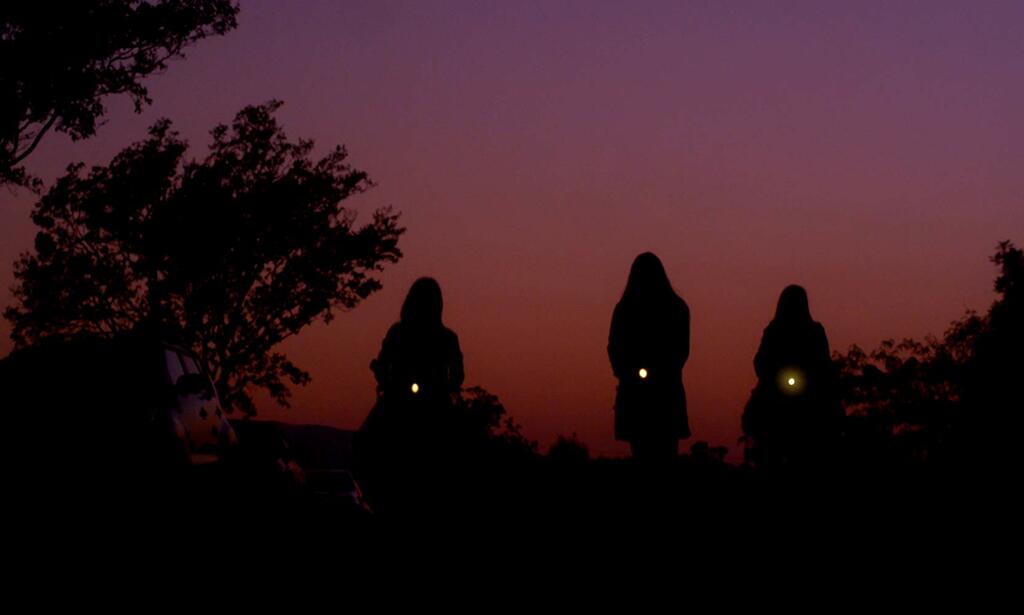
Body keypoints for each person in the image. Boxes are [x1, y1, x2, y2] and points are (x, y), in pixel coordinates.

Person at [355, 277, 464, 511]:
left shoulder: (448, 339)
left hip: (435, 404)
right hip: (397, 399)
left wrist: (448, 386)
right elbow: (383, 362)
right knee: (364, 441)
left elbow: (458, 374)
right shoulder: (397, 333)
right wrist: (382, 374)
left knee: (464, 448)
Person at [742, 285, 842, 470]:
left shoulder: (814, 331)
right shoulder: (773, 331)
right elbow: (760, 362)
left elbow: (824, 365)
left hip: (808, 398)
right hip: (776, 395)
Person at [608, 253, 691, 463]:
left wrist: (627, 371)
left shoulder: (674, 309)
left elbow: (680, 351)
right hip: (655, 394)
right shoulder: (627, 310)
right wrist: (626, 371)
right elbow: (614, 348)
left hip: (660, 394)